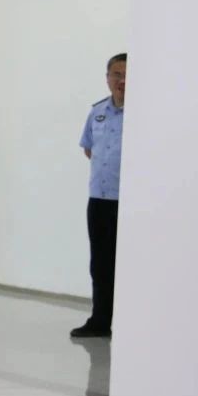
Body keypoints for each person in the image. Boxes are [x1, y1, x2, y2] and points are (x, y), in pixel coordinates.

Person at [72, 53, 126, 339]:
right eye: (117, 74)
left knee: (127, 264)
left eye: (127, 75)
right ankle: (101, 321)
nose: (122, 80)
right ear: (107, 78)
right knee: (100, 264)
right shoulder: (97, 112)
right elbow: (88, 148)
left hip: (128, 203)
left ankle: (131, 323)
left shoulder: (144, 115)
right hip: (100, 200)